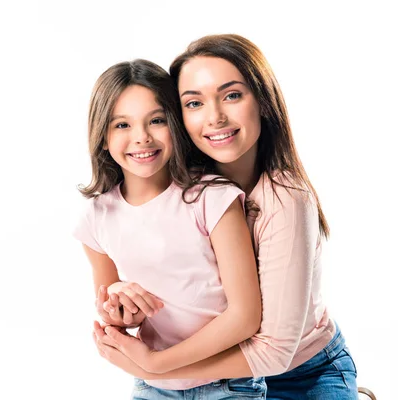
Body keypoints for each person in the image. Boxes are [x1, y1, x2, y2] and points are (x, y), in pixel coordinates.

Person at [92, 34, 359, 399]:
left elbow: (276, 351)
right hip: (218, 374)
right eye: (194, 102)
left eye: (232, 95)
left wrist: (157, 364)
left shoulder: (284, 199)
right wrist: (128, 309)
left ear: (263, 102)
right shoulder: (179, 186)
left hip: (299, 372)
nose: (215, 117)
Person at [73, 58, 267, 398]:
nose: (142, 138)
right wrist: (119, 308)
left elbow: (245, 316)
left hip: (227, 386)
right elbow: (115, 315)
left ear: (175, 125)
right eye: (122, 125)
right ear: (102, 137)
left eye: (157, 121)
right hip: (153, 388)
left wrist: (160, 361)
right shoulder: (96, 218)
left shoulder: (213, 199)